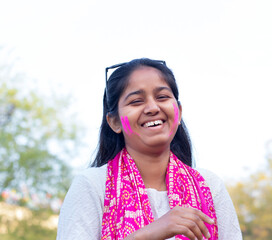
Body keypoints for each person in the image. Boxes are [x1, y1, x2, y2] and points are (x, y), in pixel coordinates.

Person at [57, 58, 242, 240]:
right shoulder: (93, 186)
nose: (152, 108)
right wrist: (148, 234)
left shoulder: (210, 186)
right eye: (136, 101)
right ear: (115, 122)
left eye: (162, 97)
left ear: (179, 112)